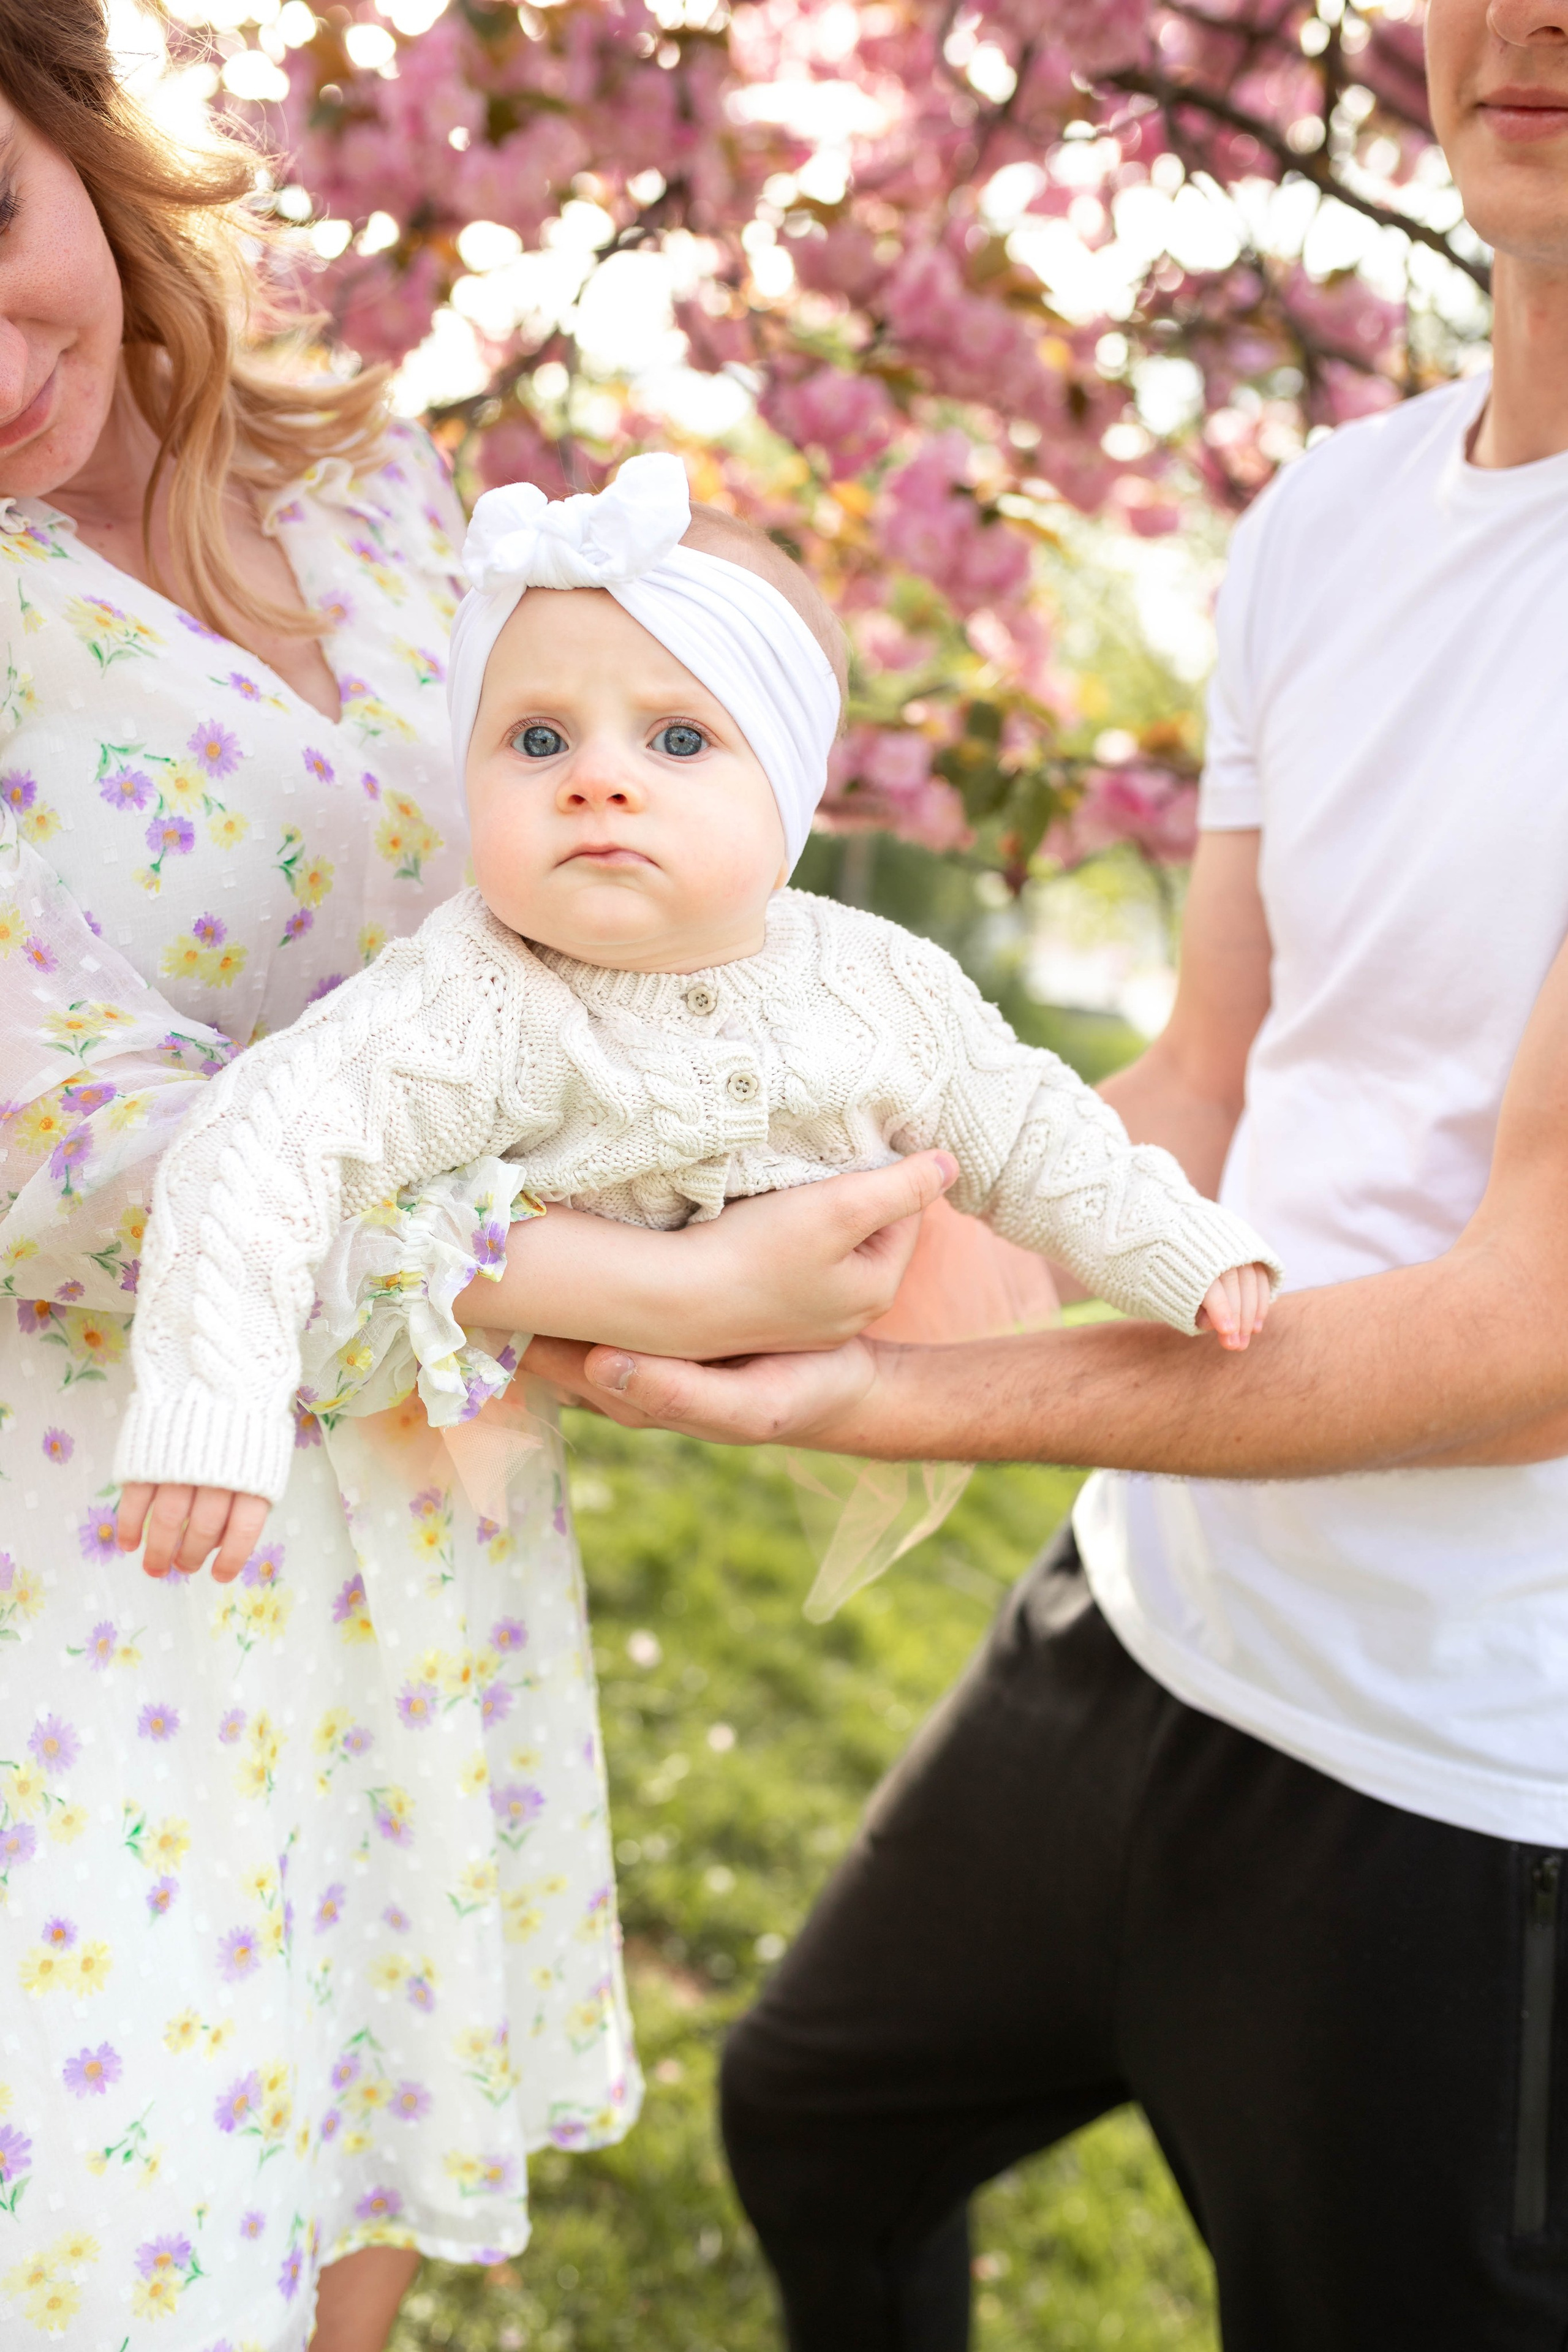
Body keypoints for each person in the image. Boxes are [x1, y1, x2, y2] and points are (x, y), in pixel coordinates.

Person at [508, 1, 1568, 2343]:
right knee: (817, 2126)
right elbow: (1211, 1058)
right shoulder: (1331, 513)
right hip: (1141, 1624)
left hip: (1466, 1784)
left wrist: (883, 1413)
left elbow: (1527, 1350)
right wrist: (894, 1257)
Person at [0, 16, 962, 2350]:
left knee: (349, 2182)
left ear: (70, 133)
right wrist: (640, 1276)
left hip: (427, 1537)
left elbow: (574, 910)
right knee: (137, 2231)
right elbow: (73, 1158)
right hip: (120, 1570)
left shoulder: (375, 485)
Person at [113, 450, 1276, 1585]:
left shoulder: (880, 982)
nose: (597, 779)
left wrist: (1178, 1249)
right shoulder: (471, 996)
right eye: (536, 740)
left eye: (678, 741)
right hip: (477, 1406)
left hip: (825, 1331)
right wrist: (215, 1404)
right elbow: (264, 1144)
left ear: (789, 792)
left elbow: (1033, 1130)